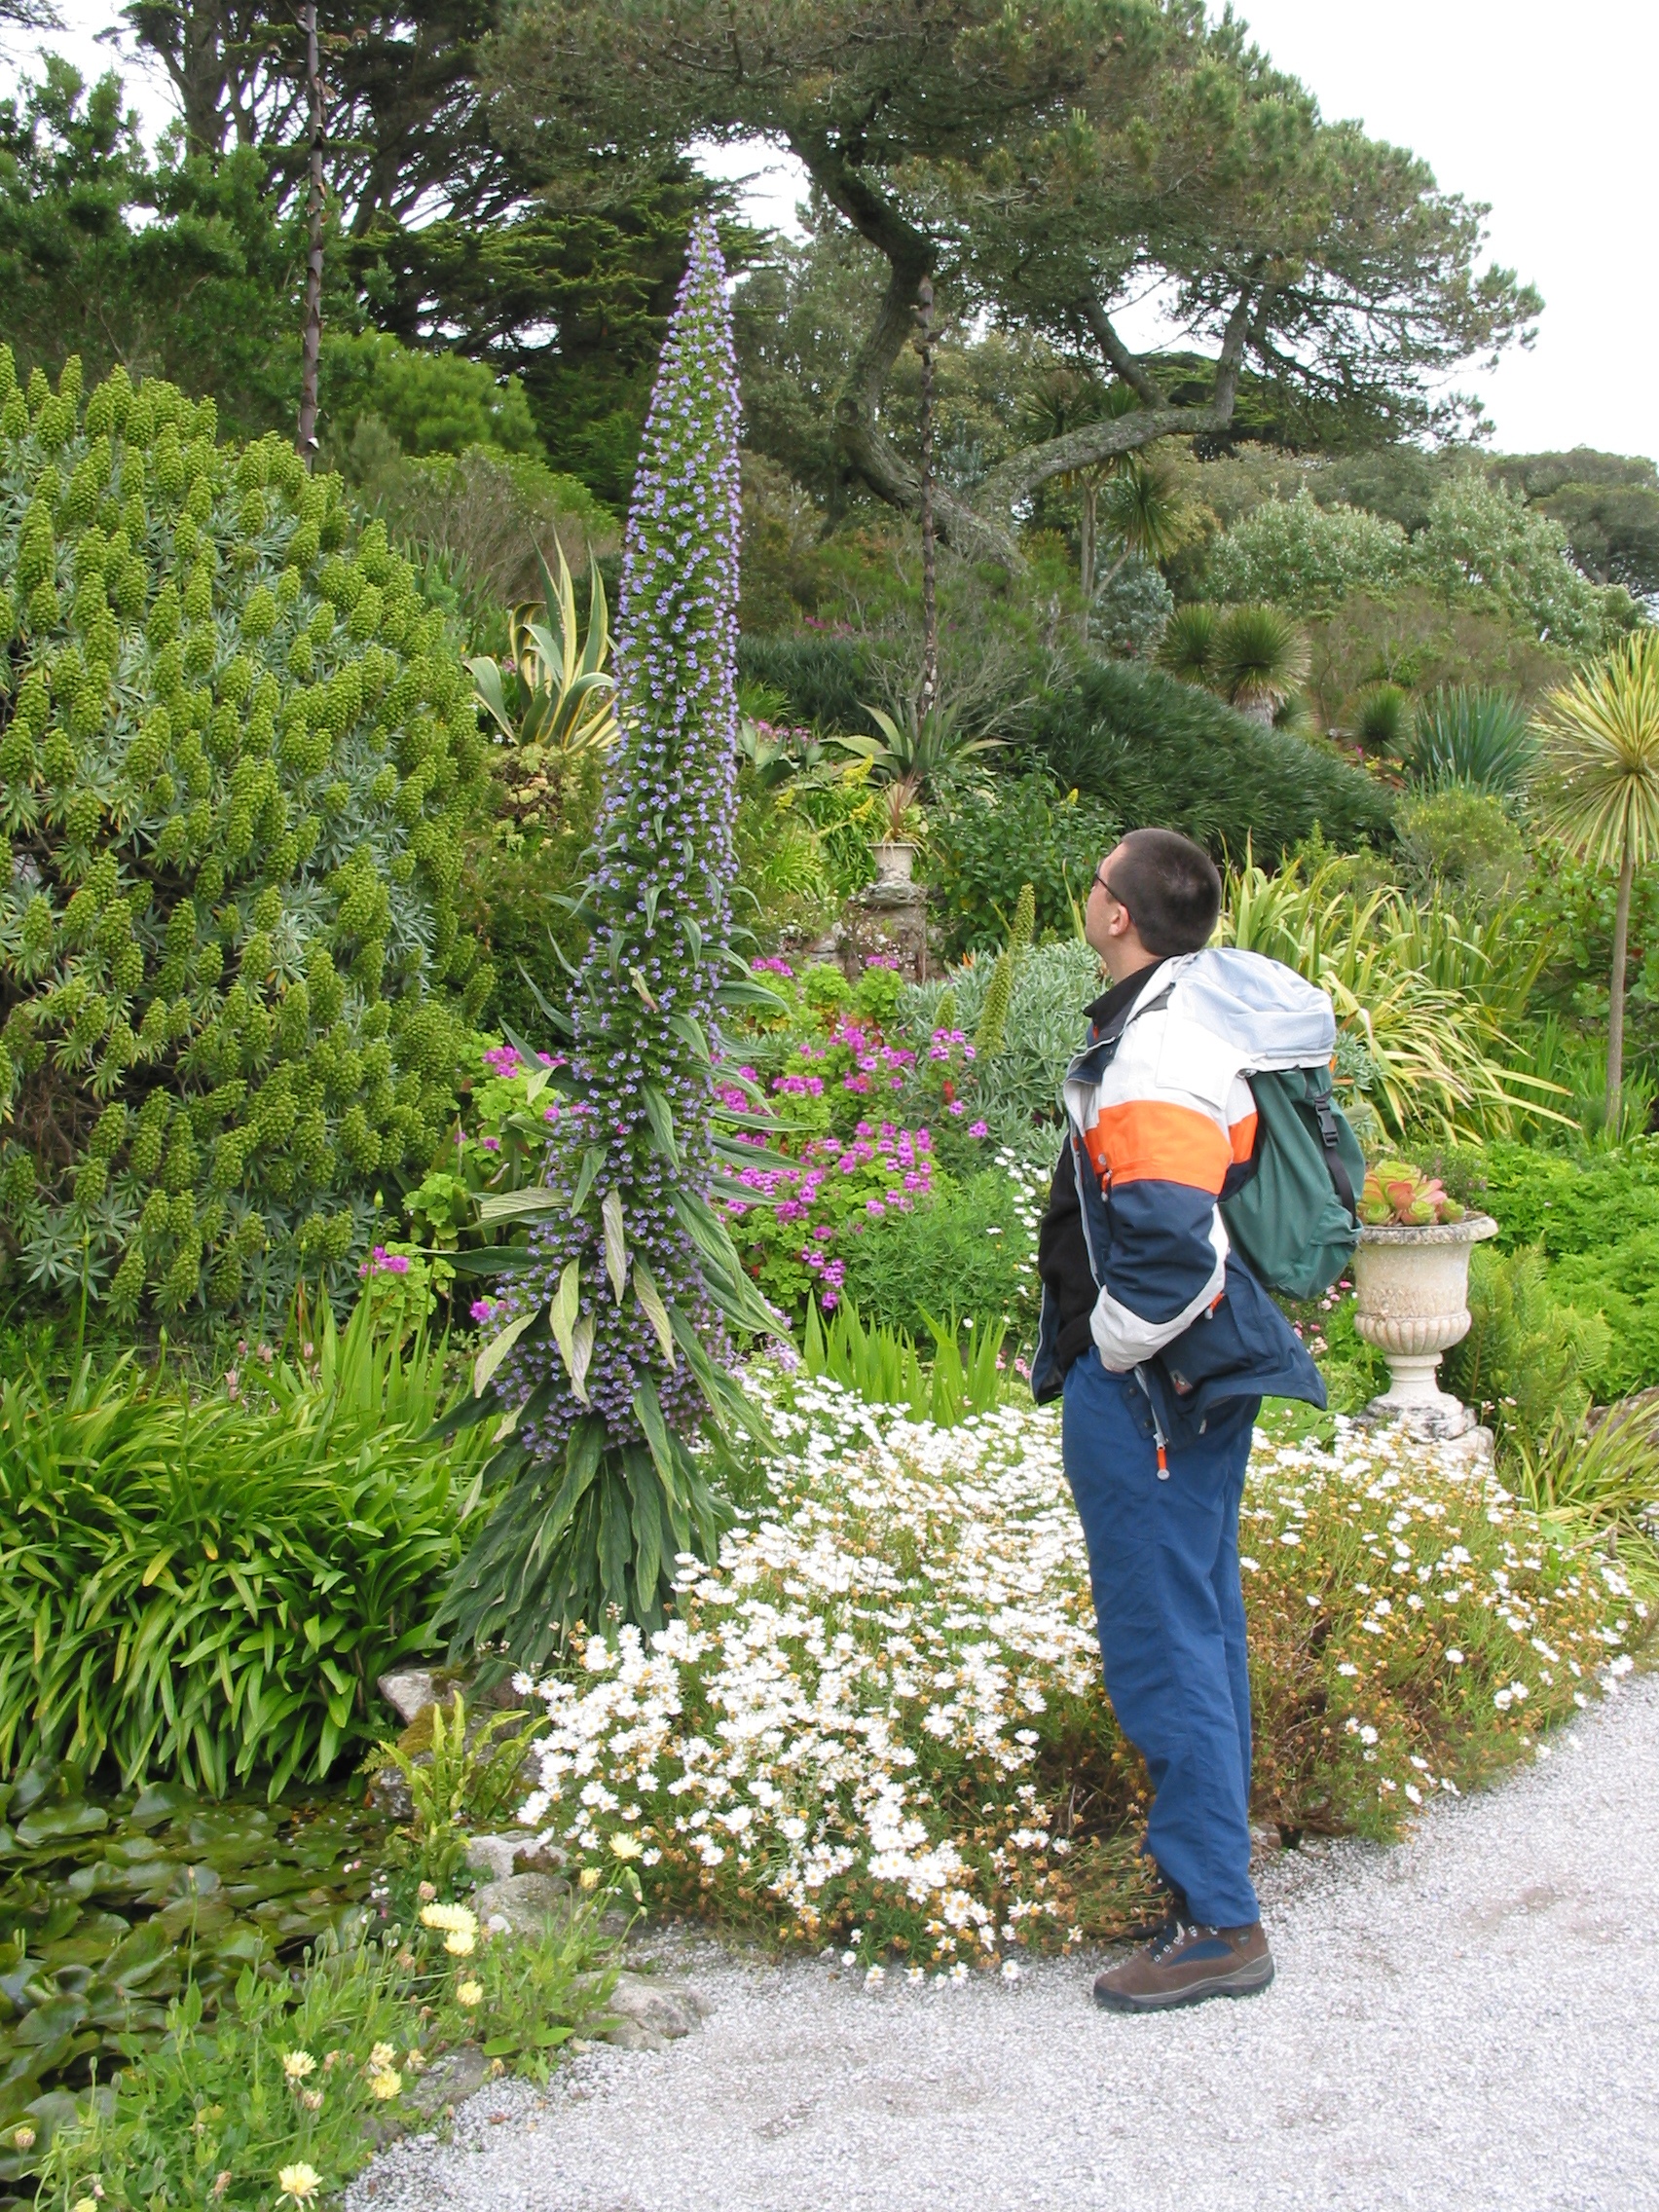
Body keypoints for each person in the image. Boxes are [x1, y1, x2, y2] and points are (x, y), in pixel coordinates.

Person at [1031, 827, 1334, 2013]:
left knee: (1164, 1639)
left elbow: (1168, 1242)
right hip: (1193, 1383)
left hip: (1152, 1385)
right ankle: (1217, 1877)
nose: (1087, 891)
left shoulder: (1158, 1046)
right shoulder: (1185, 1016)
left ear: (1117, 915)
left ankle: (1219, 1923)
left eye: (1094, 877)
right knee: (1200, 1623)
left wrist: (1109, 1350)